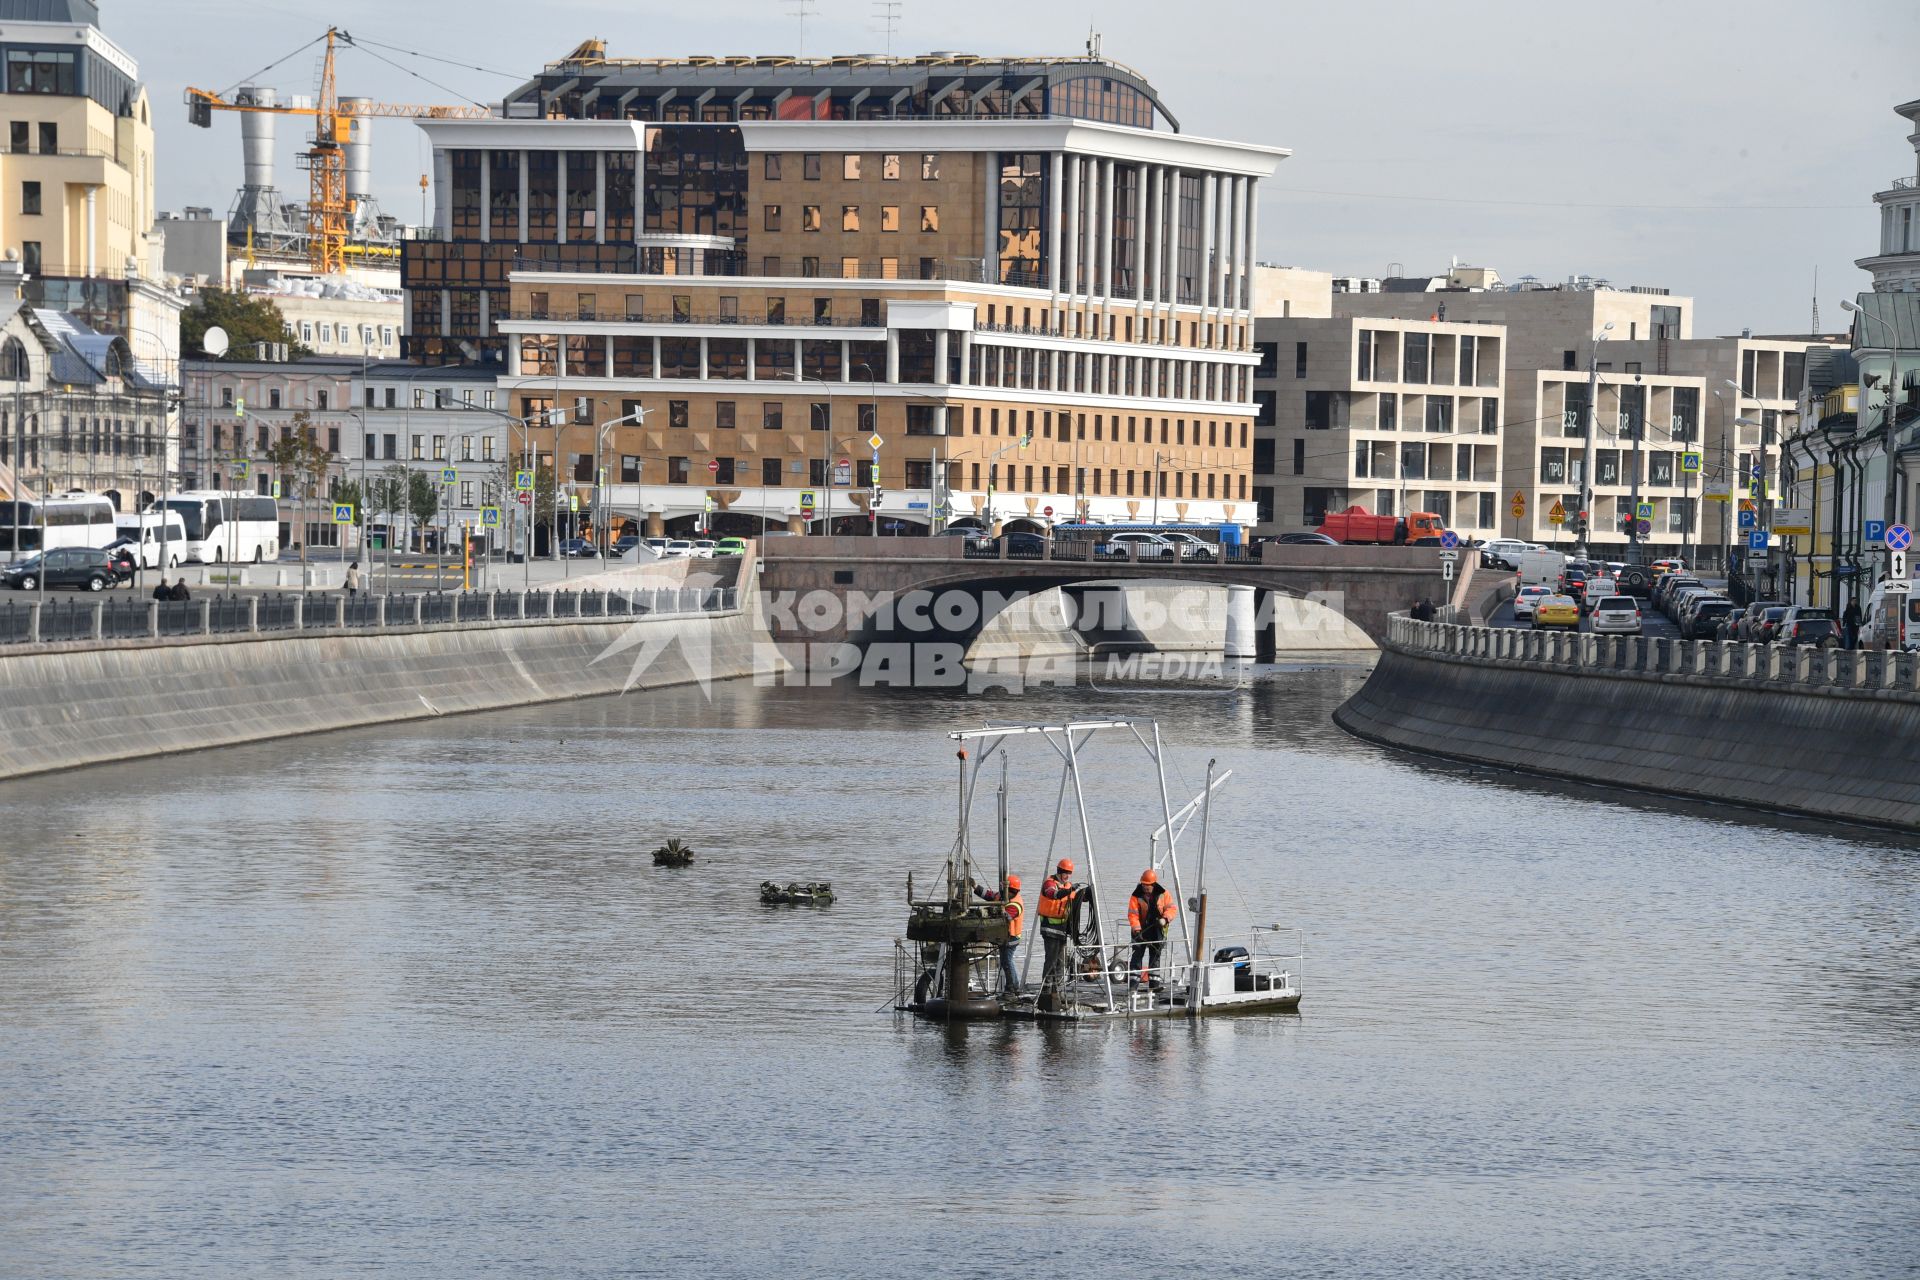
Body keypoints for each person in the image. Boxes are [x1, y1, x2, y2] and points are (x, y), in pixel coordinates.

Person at [1035, 859, 1082, 996]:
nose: (1067, 875)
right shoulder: (1049, 884)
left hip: (1062, 930)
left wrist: (1085, 894)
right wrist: (1070, 890)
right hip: (1049, 929)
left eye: (1069, 873)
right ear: (1059, 871)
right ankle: (1046, 990)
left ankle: (1058, 990)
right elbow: (1053, 894)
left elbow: (1075, 899)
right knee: (1051, 959)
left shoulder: (1068, 886)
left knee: (1061, 961)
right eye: (1065, 872)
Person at [1127, 867, 1178, 988]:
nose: (1145, 887)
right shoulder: (1135, 896)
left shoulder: (1164, 894)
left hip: (1157, 931)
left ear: (1153, 884)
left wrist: (1164, 919)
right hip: (1140, 932)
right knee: (1136, 957)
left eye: (1147, 885)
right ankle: (1133, 986)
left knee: (1155, 958)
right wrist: (1137, 929)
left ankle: (1154, 987)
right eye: (1143, 884)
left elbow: (1172, 909)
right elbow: (1132, 914)